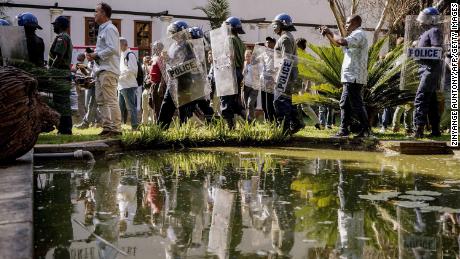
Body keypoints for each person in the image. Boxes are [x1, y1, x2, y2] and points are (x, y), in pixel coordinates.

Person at [320, 15, 371, 137]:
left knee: (355, 103)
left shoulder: (359, 34)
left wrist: (331, 31)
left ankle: (366, 130)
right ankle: (344, 129)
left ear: (357, 22)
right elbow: (338, 44)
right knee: (345, 103)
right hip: (350, 75)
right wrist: (328, 34)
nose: (346, 25)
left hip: (354, 76)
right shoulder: (354, 35)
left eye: (348, 23)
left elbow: (341, 41)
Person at [86, 2, 122, 137]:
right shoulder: (103, 28)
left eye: (96, 11)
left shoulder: (110, 28)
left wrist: (96, 54)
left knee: (111, 99)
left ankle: (116, 128)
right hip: (101, 69)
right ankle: (107, 127)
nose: (94, 14)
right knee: (101, 100)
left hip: (108, 70)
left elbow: (112, 48)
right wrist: (93, 55)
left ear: (104, 14)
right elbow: (104, 49)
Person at [157, 20, 196, 128]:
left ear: (181, 32)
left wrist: (169, 60)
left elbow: (189, 63)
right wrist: (166, 59)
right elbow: (172, 62)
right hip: (172, 81)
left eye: (174, 32)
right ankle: (160, 130)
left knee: (184, 108)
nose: (172, 34)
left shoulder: (188, 45)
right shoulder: (173, 45)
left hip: (184, 82)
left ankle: (185, 133)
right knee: (166, 105)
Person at [412, 7, 443, 138]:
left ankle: (418, 130)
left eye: (424, 17)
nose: (420, 20)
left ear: (430, 19)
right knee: (430, 101)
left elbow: (436, 50)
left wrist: (419, 52)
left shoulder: (434, 31)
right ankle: (435, 130)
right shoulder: (427, 32)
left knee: (421, 98)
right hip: (426, 69)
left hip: (430, 69)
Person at [271, 13, 302, 134]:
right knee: (287, 100)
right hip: (289, 72)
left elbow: (286, 60)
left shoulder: (284, 39)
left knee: (280, 100)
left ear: (281, 25)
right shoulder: (287, 36)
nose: (274, 27)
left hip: (286, 72)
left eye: (276, 24)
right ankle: (295, 123)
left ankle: (284, 129)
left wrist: (280, 78)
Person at [220, 16, 247, 128]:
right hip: (238, 72)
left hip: (230, 71)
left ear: (230, 27)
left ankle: (230, 127)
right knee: (235, 102)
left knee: (226, 99)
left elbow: (230, 56)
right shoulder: (239, 40)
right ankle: (249, 120)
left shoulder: (229, 39)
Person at [49, 15, 73, 134]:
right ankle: (64, 128)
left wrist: (50, 71)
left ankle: (65, 129)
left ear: (60, 25)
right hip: (62, 74)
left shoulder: (62, 37)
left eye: (55, 24)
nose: (54, 26)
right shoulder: (65, 37)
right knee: (62, 101)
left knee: (61, 102)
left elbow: (58, 57)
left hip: (60, 74)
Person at [296, 37, 322, 130]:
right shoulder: (297, 56)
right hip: (297, 84)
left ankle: (317, 123)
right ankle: (300, 123)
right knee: (299, 105)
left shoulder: (304, 57)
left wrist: (308, 86)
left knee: (304, 106)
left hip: (304, 84)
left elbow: (310, 73)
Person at [118, 37, 139, 130]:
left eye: (118, 45)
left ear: (124, 45)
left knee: (131, 106)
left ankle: (135, 126)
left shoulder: (130, 54)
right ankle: (119, 125)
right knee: (120, 107)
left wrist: (120, 76)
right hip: (122, 85)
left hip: (129, 85)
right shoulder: (122, 55)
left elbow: (133, 70)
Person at [149, 41, 166, 122]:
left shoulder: (161, 58)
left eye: (156, 47)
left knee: (157, 105)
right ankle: (158, 121)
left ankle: (159, 124)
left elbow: (163, 72)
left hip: (158, 83)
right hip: (152, 83)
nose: (154, 49)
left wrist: (161, 85)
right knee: (151, 102)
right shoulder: (154, 57)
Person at [261, 37, 277, 121]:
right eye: (266, 42)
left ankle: (272, 120)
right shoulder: (264, 54)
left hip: (271, 80)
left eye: (269, 42)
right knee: (264, 103)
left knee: (269, 102)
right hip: (263, 80)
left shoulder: (276, 54)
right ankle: (267, 119)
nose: (267, 44)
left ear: (274, 44)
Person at [242, 49, 259, 121]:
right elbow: (243, 74)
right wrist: (245, 66)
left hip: (253, 87)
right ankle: (250, 120)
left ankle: (251, 120)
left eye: (249, 56)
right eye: (246, 56)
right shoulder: (245, 63)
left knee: (250, 103)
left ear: (252, 56)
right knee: (246, 105)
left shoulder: (255, 64)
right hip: (245, 87)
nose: (247, 58)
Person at [141, 55, 154, 124]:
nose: (147, 61)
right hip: (145, 89)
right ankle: (144, 122)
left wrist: (146, 65)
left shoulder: (152, 67)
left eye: (148, 59)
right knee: (144, 107)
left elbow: (150, 72)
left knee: (151, 107)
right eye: (146, 60)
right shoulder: (143, 67)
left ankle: (152, 122)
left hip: (151, 89)